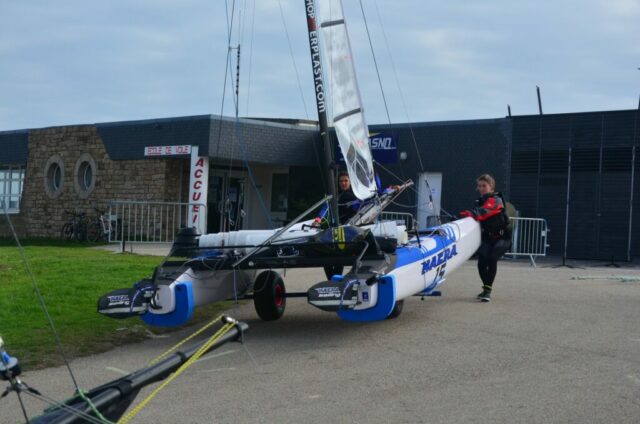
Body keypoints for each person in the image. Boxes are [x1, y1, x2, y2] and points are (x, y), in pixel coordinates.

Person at [459, 174, 512, 302]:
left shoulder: (496, 200)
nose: (481, 188)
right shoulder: (479, 202)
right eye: (479, 186)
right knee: (481, 263)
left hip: (502, 238)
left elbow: (485, 212)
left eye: (484, 186)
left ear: (491, 187)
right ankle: (486, 289)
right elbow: (476, 218)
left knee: (492, 258)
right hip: (488, 238)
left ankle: (487, 291)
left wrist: (469, 213)